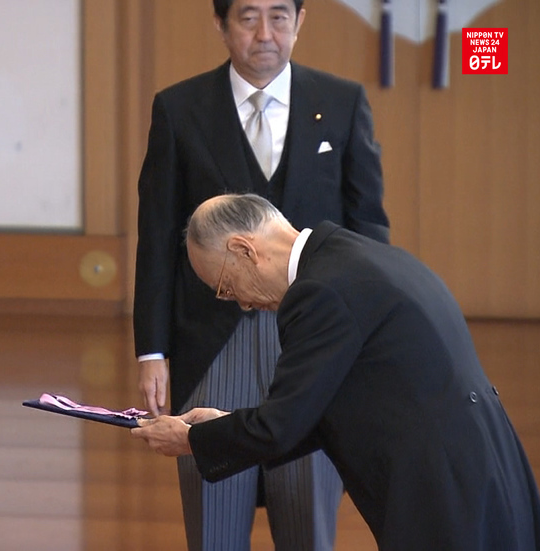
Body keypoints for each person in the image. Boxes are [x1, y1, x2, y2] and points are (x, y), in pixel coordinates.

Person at [132, 193, 540, 551]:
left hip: (441, 485)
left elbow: (279, 427)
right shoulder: (354, 257)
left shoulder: (318, 293)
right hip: (482, 460)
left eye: (226, 287)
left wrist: (191, 440)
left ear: (245, 250)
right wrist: (223, 424)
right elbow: (319, 409)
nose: (241, 304)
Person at [133, 0, 389, 548]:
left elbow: (367, 226)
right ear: (221, 24)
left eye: (280, 16)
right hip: (210, 339)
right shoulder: (179, 107)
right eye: (248, 18)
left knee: (306, 512)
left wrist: (371, 334)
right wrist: (151, 350)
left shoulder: (341, 102)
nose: (266, 33)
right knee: (214, 516)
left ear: (301, 21)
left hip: (316, 334)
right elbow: (156, 236)